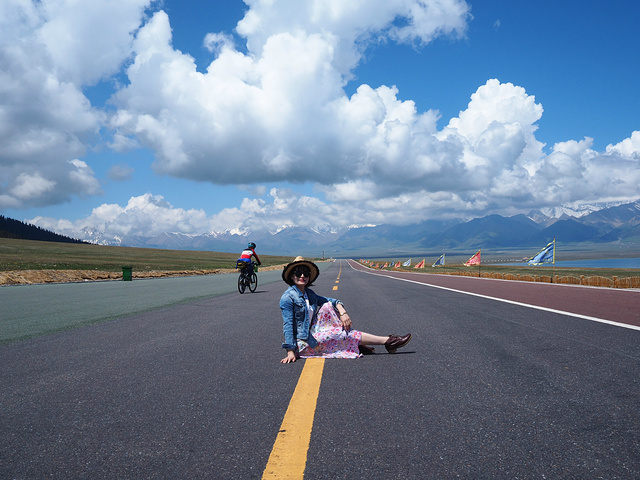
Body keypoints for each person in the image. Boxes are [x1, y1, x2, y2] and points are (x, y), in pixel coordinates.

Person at [279, 256, 411, 363]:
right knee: (339, 333)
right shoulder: (288, 298)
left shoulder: (309, 294)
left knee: (327, 306)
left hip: (312, 333)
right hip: (302, 343)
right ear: (291, 276)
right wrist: (290, 351)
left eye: (305, 272)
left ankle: (352, 342)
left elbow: (332, 301)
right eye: (298, 272)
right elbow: (288, 325)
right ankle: (388, 341)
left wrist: (343, 312)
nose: (302, 275)